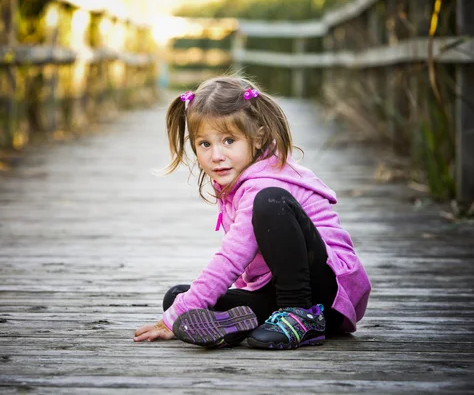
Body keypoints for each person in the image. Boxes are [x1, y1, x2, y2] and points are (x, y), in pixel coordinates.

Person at [134, 76, 371, 350]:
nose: (216, 155)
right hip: (279, 292)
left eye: (229, 140)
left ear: (257, 137)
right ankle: (247, 323)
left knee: (270, 202)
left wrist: (172, 318)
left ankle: (297, 316)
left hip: (328, 293)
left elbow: (233, 255)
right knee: (178, 300)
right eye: (205, 144)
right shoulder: (236, 183)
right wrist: (179, 310)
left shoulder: (265, 184)